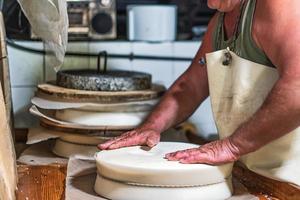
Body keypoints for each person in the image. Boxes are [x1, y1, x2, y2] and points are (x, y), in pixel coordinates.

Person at [99, 0, 300, 185]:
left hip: (291, 182)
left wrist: (232, 146)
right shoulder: (219, 22)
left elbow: (297, 86)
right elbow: (190, 87)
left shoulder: (277, 6)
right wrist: (151, 126)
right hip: (249, 177)